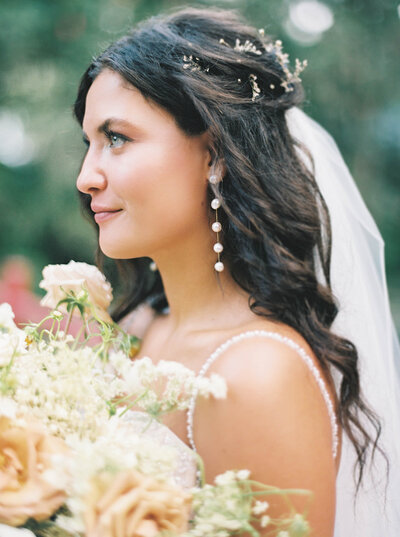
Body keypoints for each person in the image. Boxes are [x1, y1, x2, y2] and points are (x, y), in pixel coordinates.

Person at [73, 7, 400, 536]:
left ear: (216, 155)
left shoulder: (256, 376)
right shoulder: (139, 329)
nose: (87, 176)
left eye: (117, 138)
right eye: (87, 143)